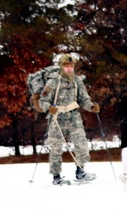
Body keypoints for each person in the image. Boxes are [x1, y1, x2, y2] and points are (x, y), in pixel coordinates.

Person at [37, 53, 101, 185]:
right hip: (57, 118)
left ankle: (80, 171)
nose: (69, 68)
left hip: (73, 116)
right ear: (61, 66)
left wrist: (91, 106)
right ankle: (56, 176)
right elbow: (43, 100)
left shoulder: (77, 81)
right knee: (56, 147)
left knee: (81, 143)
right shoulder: (53, 81)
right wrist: (49, 108)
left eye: (71, 66)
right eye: (67, 66)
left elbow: (84, 98)